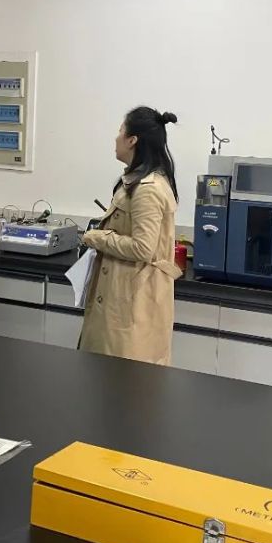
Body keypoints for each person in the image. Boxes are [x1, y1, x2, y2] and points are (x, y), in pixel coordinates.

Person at [79, 106, 182, 365]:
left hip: (131, 302)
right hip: (123, 295)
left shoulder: (148, 189)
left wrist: (97, 237)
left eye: (120, 131)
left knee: (123, 380)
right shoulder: (136, 182)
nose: (116, 138)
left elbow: (142, 248)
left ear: (132, 140)